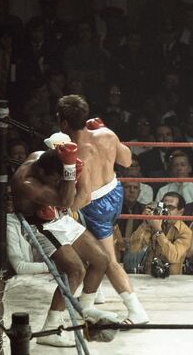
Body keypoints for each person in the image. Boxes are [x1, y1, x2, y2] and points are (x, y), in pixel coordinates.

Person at [11, 141, 115, 347]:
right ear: (43, 172)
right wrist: (69, 173)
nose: (57, 180)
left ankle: (85, 310)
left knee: (101, 260)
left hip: (58, 217)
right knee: (75, 270)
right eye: (55, 178)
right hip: (40, 225)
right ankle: (50, 329)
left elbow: (66, 199)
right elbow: (66, 201)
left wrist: (68, 165)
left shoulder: (41, 156)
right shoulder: (26, 183)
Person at [57, 94, 149, 325]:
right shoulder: (106, 134)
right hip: (115, 192)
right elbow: (127, 161)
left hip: (95, 204)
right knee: (86, 244)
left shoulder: (77, 151)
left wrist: (62, 213)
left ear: (64, 122)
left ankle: (136, 310)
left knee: (108, 260)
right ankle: (93, 295)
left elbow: (85, 196)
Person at [129, 193, 192, 276]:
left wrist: (158, 231)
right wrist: (145, 223)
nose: (166, 211)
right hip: (149, 277)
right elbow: (134, 248)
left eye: (171, 208)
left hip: (173, 280)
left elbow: (173, 257)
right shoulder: (152, 223)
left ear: (180, 212)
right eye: (164, 207)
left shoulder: (185, 231)